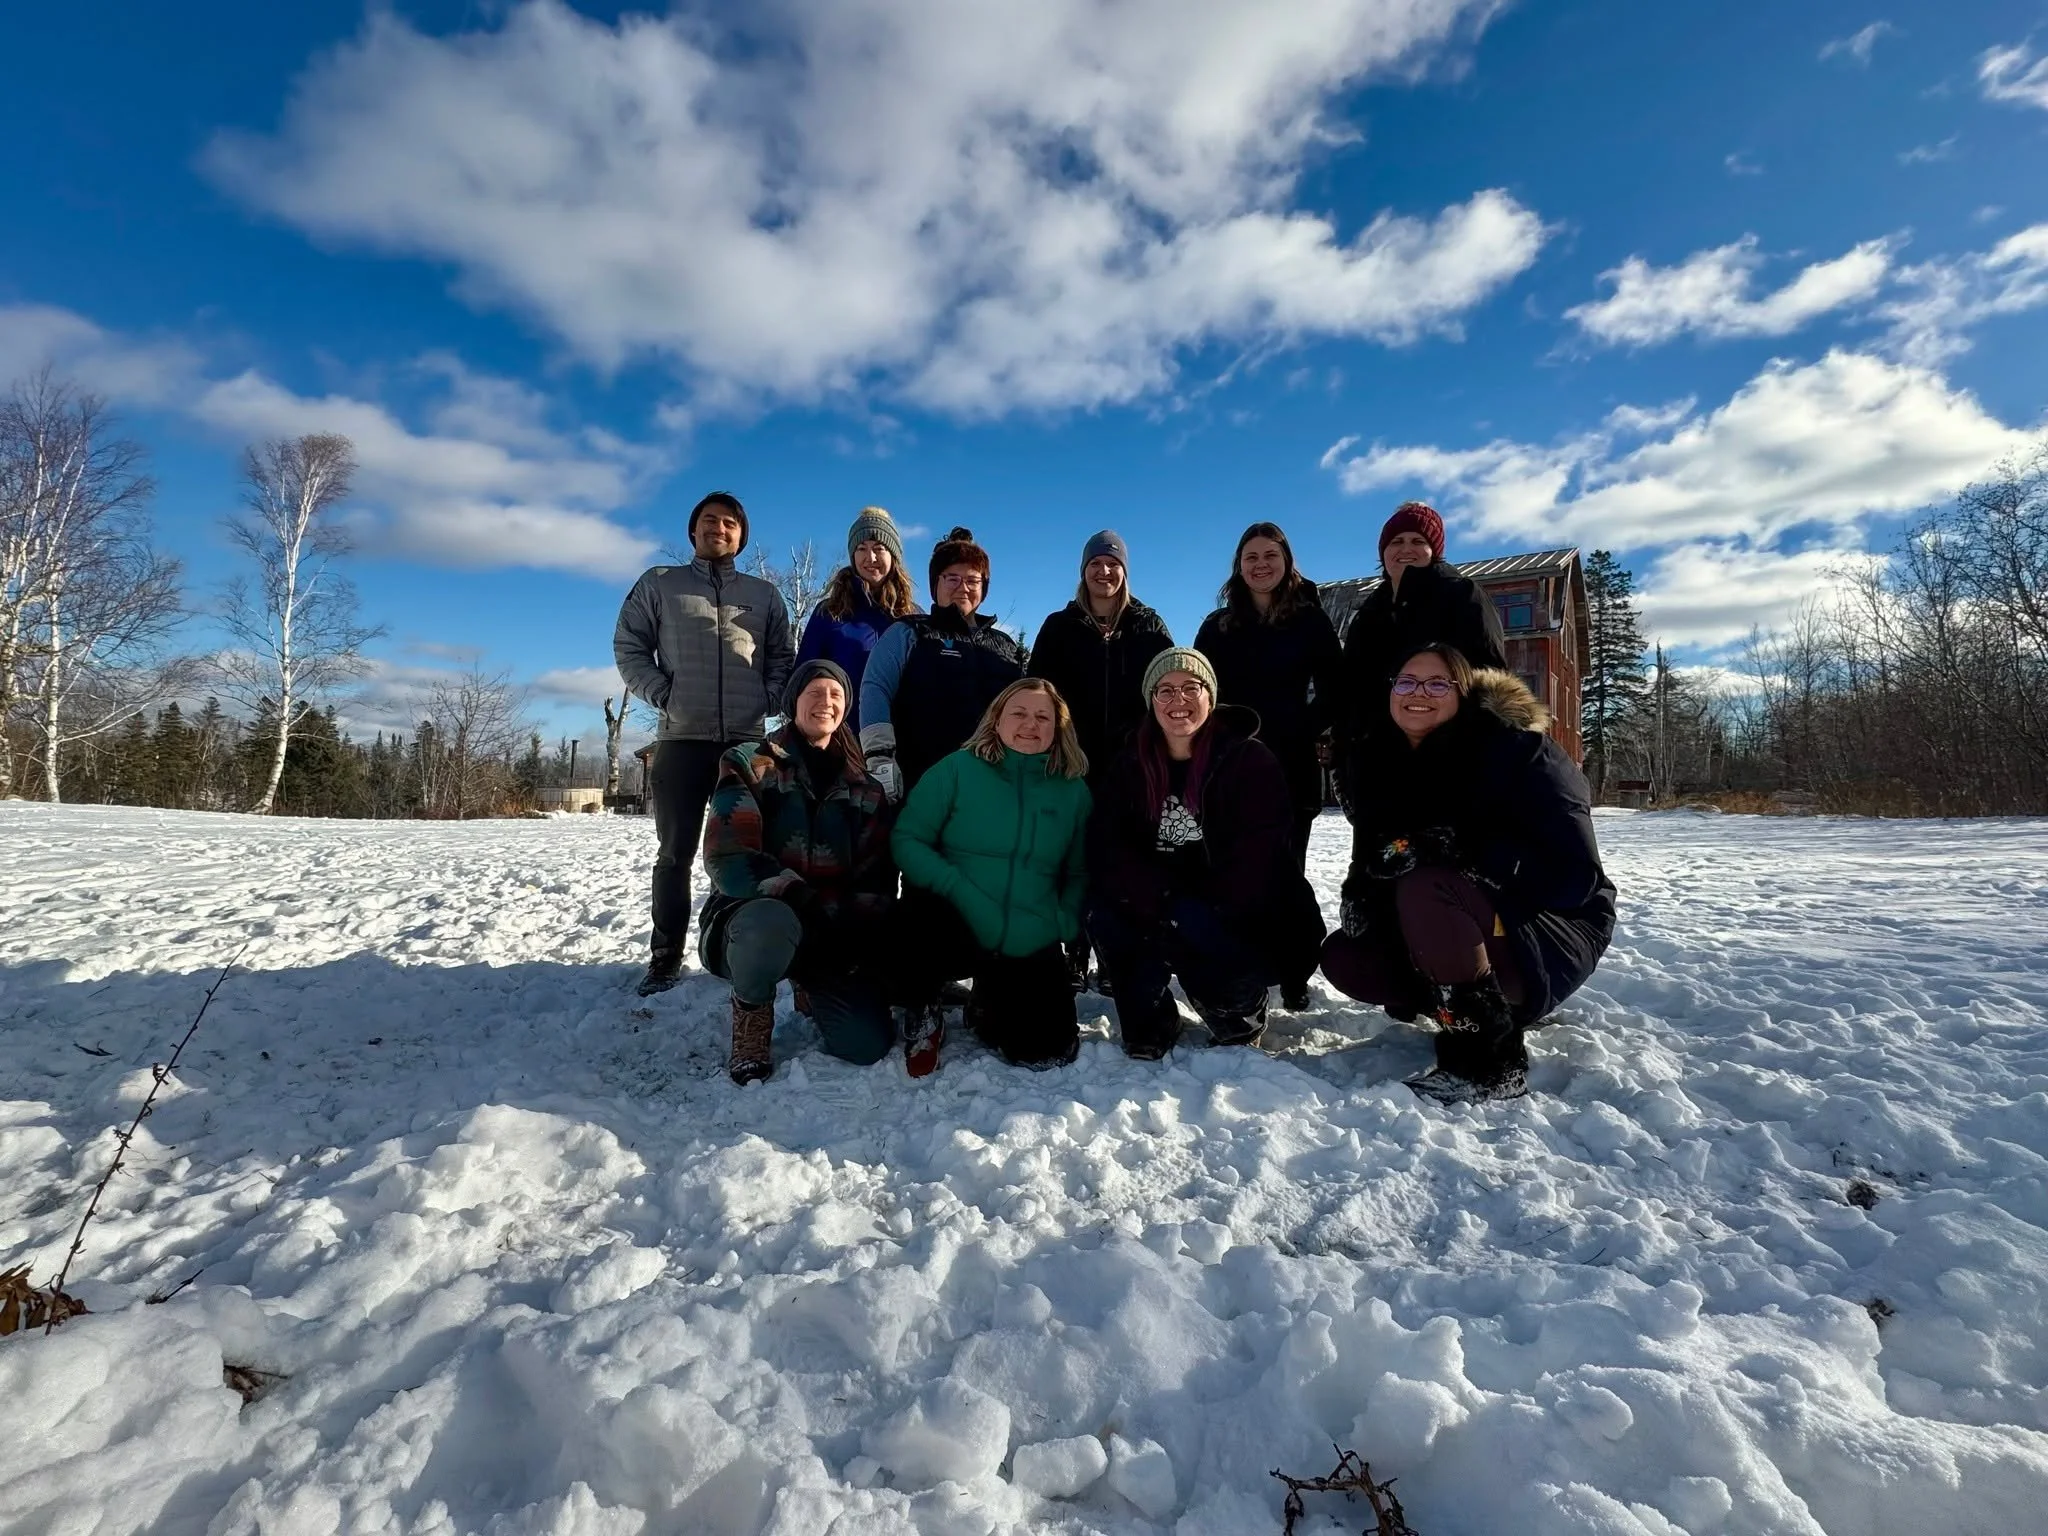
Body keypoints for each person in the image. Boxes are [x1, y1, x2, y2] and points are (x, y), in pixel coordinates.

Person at [1320, 643, 1615, 1103]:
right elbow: (1379, 855)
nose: (1419, 692)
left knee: (1429, 883)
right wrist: (1362, 893)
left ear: (1465, 693)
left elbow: (1575, 879)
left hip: (1549, 929)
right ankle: (1464, 1005)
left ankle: (1490, 1061)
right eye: (1407, 682)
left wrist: (1463, 851)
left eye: (1438, 683)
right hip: (1459, 917)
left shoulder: (1521, 753)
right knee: (1347, 957)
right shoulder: (1381, 761)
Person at [1088, 648, 1325, 1058]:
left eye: (1190, 687)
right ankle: (1152, 1015)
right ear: (1151, 701)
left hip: (1233, 911)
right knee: (1104, 912)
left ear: (1210, 696)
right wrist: (1159, 900)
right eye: (1164, 690)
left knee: (1200, 935)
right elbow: (1110, 845)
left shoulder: (1249, 759)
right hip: (1160, 902)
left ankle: (1240, 1007)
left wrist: (1192, 908)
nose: (1177, 700)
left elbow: (1262, 855)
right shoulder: (1130, 763)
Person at [614, 491, 794, 997]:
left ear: (742, 535)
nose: (719, 528)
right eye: (709, 521)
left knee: (743, 854)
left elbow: (784, 654)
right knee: (675, 854)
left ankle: (733, 948)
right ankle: (664, 956)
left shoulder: (764, 595)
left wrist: (770, 696)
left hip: (745, 748)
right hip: (681, 741)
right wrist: (663, 693)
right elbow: (629, 645)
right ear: (693, 531)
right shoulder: (660, 584)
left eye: (730, 523)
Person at [698, 660, 897, 1084]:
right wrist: (797, 895)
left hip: (829, 930)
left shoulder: (865, 788)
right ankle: (751, 1018)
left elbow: (876, 879)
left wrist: (850, 934)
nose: (825, 703)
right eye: (815, 693)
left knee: (864, 1045)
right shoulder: (749, 763)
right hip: (753, 918)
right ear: (794, 702)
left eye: (836, 696)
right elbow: (729, 857)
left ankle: (813, 984)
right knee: (770, 921)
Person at [890, 679, 1092, 1074]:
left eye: (1042, 717)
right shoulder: (956, 770)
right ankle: (924, 1004)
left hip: (1028, 930)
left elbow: (1080, 868)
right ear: (996, 720)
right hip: (956, 918)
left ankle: (988, 1002)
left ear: (1058, 728)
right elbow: (908, 839)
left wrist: (1064, 918)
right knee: (914, 916)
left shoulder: (1073, 790)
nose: (1030, 724)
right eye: (1018, 713)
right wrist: (958, 888)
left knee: (1043, 1050)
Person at [1192, 522, 1344, 1011]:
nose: (1260, 564)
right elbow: (1199, 690)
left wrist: (1306, 724)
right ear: (1238, 565)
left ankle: (1293, 969)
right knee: (1233, 867)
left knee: (1285, 870)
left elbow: (1339, 687)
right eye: (1250, 556)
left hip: (1290, 764)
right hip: (1229, 765)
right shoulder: (1218, 627)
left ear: (1286, 562)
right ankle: (1241, 966)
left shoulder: (1309, 620)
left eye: (1269, 555)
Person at [1028, 529, 1174, 989]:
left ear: (1124, 571)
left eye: (1113, 563)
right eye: (1096, 563)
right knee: (1068, 859)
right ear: (1084, 570)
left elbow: (1171, 688)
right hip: (1069, 761)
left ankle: (1115, 953)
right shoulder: (1059, 626)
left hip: (1133, 766)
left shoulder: (1148, 625)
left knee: (1123, 860)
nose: (1104, 571)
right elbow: (1038, 691)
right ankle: (1073, 949)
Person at [1338, 500, 1507, 801]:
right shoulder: (1370, 611)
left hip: (1444, 758)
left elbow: (1490, 676)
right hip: (1375, 761)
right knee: (1380, 848)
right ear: (1382, 552)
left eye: (1418, 541)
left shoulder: (1462, 595)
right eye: (1396, 541)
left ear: (1435, 550)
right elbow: (1351, 687)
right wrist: (1346, 752)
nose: (1406, 548)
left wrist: (1475, 746)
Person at [859, 527, 1027, 804]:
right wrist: (879, 756)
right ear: (935, 584)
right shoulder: (909, 632)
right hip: (921, 779)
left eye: (973, 580)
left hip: (991, 783)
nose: (963, 588)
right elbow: (875, 687)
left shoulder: (1005, 646)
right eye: (953, 578)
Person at [795, 506, 920, 734]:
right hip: (840, 740)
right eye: (862, 548)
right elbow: (803, 675)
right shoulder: (830, 611)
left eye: (879, 548)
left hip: (900, 740)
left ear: (893, 555)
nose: (870, 557)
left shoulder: (913, 617)